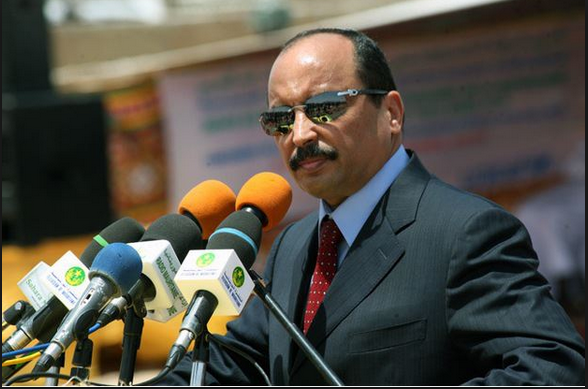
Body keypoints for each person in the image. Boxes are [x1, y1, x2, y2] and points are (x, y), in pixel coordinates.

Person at [161, 28, 585, 385]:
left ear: (392, 113)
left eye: (324, 107)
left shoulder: (465, 232)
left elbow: (550, 368)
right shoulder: (293, 246)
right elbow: (237, 365)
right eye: (280, 119)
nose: (300, 134)